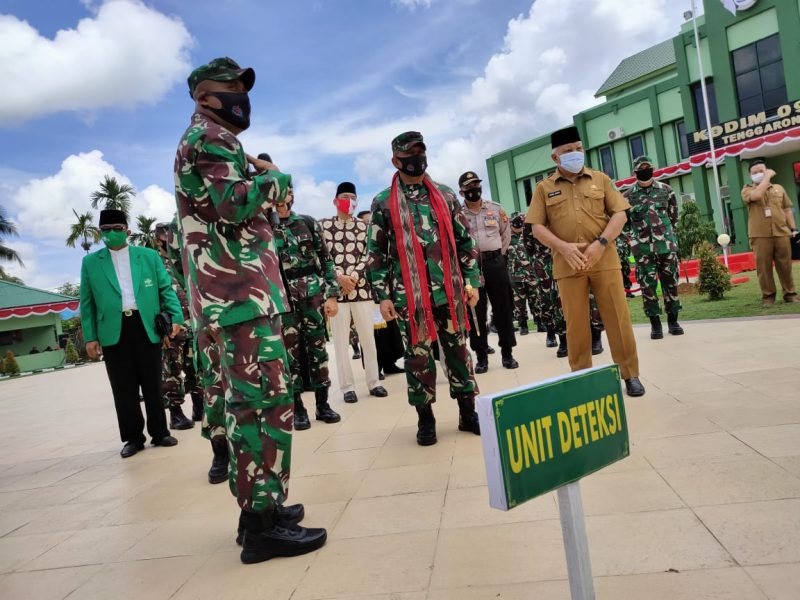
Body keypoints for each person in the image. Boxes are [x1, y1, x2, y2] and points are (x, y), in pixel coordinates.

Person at [175, 57, 326, 563]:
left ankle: (259, 510)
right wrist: (277, 179)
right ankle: (262, 526)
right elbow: (234, 202)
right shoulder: (210, 137)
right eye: (232, 87)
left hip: (236, 299)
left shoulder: (207, 137)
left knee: (252, 404)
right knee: (264, 405)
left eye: (244, 87)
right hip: (238, 298)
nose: (242, 95)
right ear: (205, 95)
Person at [367, 131, 482, 446]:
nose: (417, 159)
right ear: (396, 160)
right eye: (409, 154)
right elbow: (376, 254)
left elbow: (465, 241)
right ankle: (425, 417)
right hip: (410, 296)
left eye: (420, 152)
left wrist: (471, 280)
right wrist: (383, 296)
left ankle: (467, 411)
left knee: (458, 351)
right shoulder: (383, 202)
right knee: (418, 357)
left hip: (450, 290)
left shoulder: (445, 195)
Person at [526, 126, 644, 397]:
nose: (575, 154)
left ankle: (630, 375)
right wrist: (563, 247)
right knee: (576, 325)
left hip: (604, 259)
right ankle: (582, 379)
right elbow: (537, 227)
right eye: (568, 151)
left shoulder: (600, 180)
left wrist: (601, 245)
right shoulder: (544, 188)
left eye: (579, 149)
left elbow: (620, 215)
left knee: (617, 318)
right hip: (568, 264)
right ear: (555, 158)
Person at [80, 209, 183, 458]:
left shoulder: (147, 256)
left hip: (145, 324)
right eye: (106, 230)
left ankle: (160, 432)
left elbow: (165, 288)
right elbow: (87, 302)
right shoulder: (91, 262)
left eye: (117, 228)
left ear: (127, 230)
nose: (111, 233)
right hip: (112, 329)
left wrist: (176, 316)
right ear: (100, 232)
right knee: (123, 387)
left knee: (152, 383)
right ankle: (133, 438)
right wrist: (90, 336)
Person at [273, 184, 341, 429]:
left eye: (287, 192)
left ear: (292, 195)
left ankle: (323, 405)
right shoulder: (264, 229)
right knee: (289, 355)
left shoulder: (307, 223)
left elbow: (326, 260)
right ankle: (298, 408)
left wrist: (332, 295)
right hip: (283, 302)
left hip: (312, 298)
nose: (283, 198)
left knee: (318, 350)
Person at [320, 182, 387, 404]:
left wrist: (354, 278)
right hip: (335, 292)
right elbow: (323, 257)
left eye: (353, 197)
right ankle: (347, 386)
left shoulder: (364, 227)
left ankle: (374, 382)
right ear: (335, 200)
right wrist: (339, 277)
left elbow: (369, 255)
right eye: (345, 196)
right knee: (340, 340)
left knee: (368, 338)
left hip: (361, 290)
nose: (349, 201)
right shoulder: (323, 226)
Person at [459, 171, 518, 372]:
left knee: (503, 308)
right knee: (476, 310)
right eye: (469, 188)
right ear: (462, 192)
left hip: (495, 262)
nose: (474, 190)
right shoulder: (457, 214)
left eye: (476, 185)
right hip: (471, 267)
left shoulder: (495, 208)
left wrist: (498, 256)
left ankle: (507, 353)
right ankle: (481, 356)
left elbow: (506, 234)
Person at [623, 156, 684, 338]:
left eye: (647, 167)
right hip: (642, 250)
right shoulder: (627, 196)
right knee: (647, 287)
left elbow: (673, 217)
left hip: (666, 246)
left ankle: (673, 321)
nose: (645, 171)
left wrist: (668, 236)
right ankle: (655, 325)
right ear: (635, 172)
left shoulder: (666, 190)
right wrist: (632, 240)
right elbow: (623, 223)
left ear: (653, 168)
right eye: (641, 169)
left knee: (671, 283)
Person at [154, 222, 202, 430]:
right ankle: (176, 413)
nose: (170, 241)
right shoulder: (154, 264)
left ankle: (200, 407)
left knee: (197, 368)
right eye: (165, 238)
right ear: (158, 240)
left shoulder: (184, 262)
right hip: (172, 327)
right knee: (173, 370)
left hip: (193, 324)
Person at [741, 159, 799, 307]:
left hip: (781, 232)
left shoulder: (779, 188)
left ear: (767, 170)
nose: (758, 174)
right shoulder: (747, 190)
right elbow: (757, 197)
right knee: (764, 268)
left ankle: (790, 294)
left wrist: (793, 229)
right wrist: (767, 177)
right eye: (754, 173)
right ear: (750, 176)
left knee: (785, 266)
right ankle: (768, 297)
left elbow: (787, 209)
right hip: (759, 235)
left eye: (761, 171)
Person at [507, 213, 537, 336]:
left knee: (535, 299)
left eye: (521, 227)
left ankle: (539, 322)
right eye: (516, 228)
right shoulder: (507, 236)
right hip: (515, 275)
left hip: (531, 274)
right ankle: (523, 325)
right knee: (519, 303)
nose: (518, 230)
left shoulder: (528, 234)